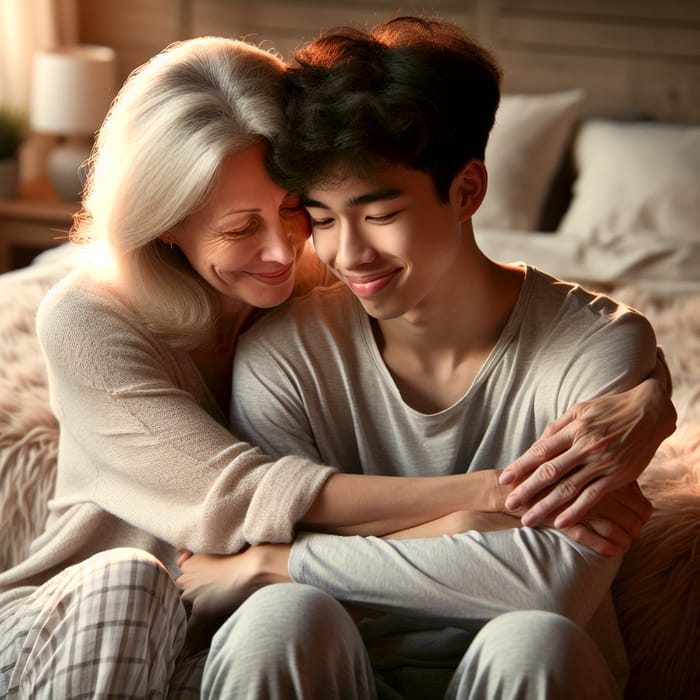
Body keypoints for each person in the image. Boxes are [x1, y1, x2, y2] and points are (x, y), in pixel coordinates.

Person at [0, 29, 671, 700]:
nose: (295, 251)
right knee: (220, 601)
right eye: (241, 228)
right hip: (96, 620)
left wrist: (651, 394)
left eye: (295, 209)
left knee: (535, 640)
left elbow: (549, 577)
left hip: (235, 631)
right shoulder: (104, 320)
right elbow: (249, 506)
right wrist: (486, 499)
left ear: (467, 191)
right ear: (165, 222)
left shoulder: (319, 282)